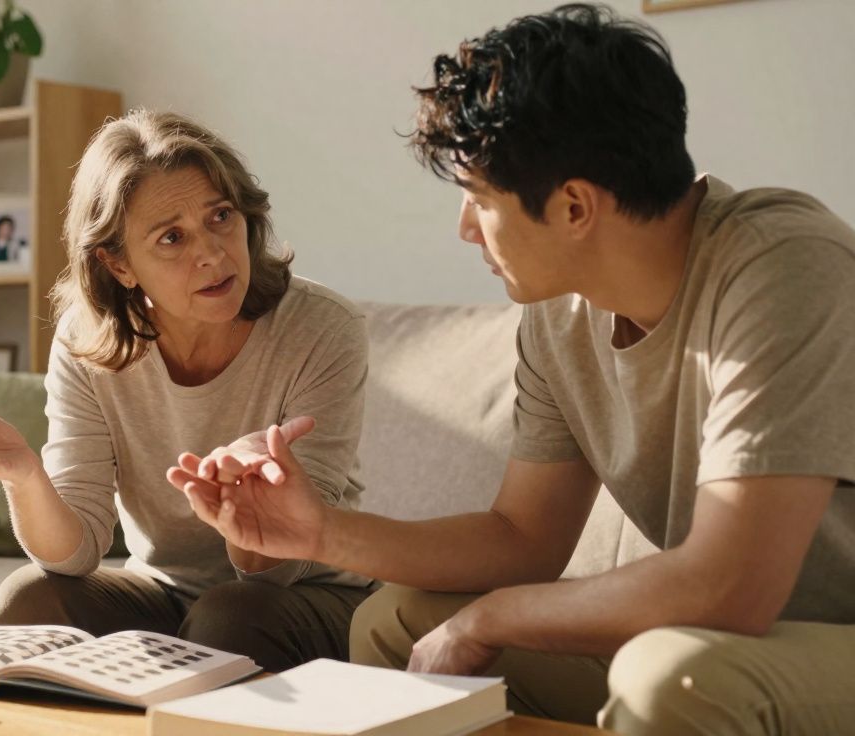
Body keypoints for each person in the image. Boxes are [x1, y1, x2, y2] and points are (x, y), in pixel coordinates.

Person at [166, 4, 855, 733]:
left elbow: (731, 586)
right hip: (735, 634)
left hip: (822, 634)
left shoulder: (783, 266)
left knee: (673, 678)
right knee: (397, 619)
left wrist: (496, 616)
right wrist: (319, 533)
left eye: (479, 199)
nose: (465, 228)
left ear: (574, 206)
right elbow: (522, 538)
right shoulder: (561, 317)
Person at [0, 109, 376, 672]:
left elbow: (282, 565)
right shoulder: (88, 343)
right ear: (118, 263)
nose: (211, 253)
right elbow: (78, 551)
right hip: (165, 593)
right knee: (27, 597)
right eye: (172, 237)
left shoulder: (322, 328)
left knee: (230, 615)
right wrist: (26, 478)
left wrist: (249, 505)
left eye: (221, 216)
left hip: (305, 594)